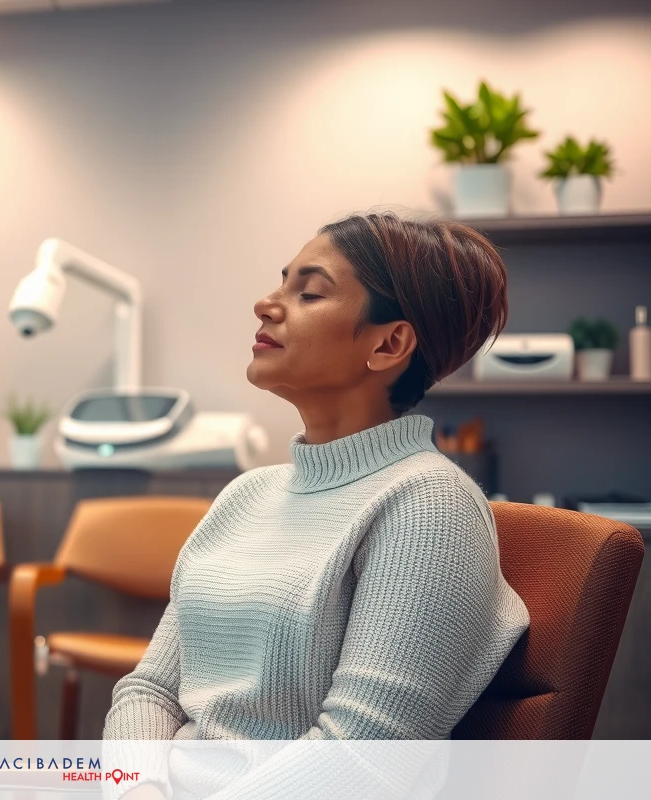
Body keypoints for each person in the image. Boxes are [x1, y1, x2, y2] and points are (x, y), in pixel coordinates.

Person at [102, 212, 530, 799]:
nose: (265, 305)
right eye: (283, 284)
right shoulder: (246, 495)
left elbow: (363, 756)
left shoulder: (431, 507)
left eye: (309, 293)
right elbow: (148, 690)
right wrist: (134, 790)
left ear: (388, 344)